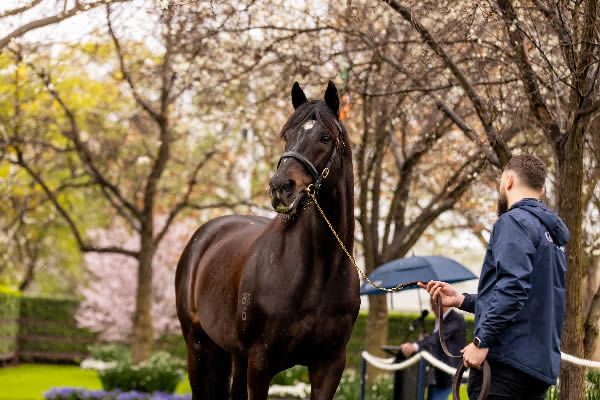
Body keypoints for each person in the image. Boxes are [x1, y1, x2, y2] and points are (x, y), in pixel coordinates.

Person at [418, 154, 569, 400]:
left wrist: (481, 341)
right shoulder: (552, 236)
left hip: (504, 367)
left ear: (508, 180)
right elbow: (525, 301)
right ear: (540, 191)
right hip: (537, 370)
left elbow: (513, 290)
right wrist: (461, 300)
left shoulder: (512, 222)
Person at [400, 298, 466, 400]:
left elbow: (439, 337)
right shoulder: (440, 319)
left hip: (449, 377)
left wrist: (416, 345)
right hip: (436, 376)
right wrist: (426, 338)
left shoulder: (456, 319)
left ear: (442, 304)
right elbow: (436, 339)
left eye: (433, 306)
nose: (432, 310)